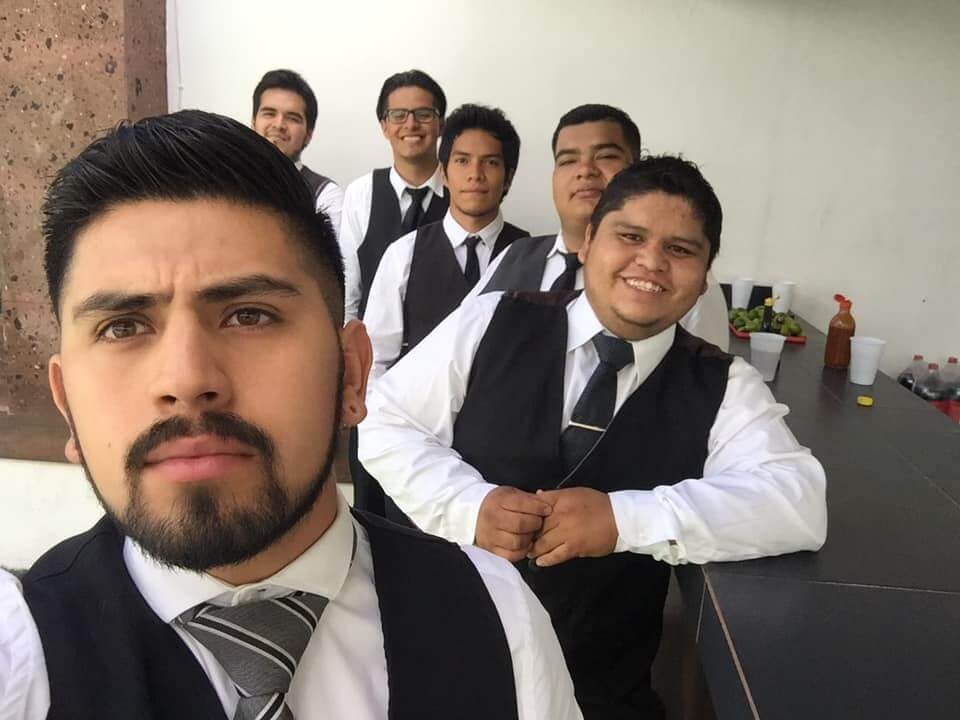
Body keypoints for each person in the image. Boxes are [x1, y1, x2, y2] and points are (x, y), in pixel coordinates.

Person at [0, 111, 581, 720]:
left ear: (352, 373)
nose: (186, 380)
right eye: (123, 327)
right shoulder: (19, 661)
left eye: (248, 315)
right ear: (66, 403)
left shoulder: (499, 618)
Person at [359, 156, 827, 719]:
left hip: (599, 691)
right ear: (586, 243)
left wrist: (623, 519)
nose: (651, 261)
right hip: (444, 663)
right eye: (630, 236)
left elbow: (798, 500)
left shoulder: (721, 383)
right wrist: (468, 504)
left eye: (680, 249)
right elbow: (384, 420)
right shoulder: (490, 320)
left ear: (705, 276)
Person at [475, 104, 729, 350]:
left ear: (636, 169)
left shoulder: (679, 285)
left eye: (606, 156)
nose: (585, 170)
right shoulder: (514, 255)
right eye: (568, 160)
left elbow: (701, 372)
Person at [364, 104, 528, 380]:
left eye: (490, 162)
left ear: (508, 178)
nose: (475, 174)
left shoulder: (532, 256)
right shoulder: (403, 254)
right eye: (462, 161)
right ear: (444, 173)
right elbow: (375, 361)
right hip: (417, 406)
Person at [339, 69, 450, 322]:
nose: (411, 124)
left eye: (423, 114)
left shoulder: (462, 190)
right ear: (384, 126)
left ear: (441, 125)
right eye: (399, 115)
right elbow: (349, 288)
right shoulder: (361, 193)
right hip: (373, 343)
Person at [252, 69, 344, 230]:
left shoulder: (325, 195)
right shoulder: (227, 182)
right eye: (269, 113)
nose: (279, 125)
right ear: (253, 123)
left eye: (292, 118)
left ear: (308, 134)